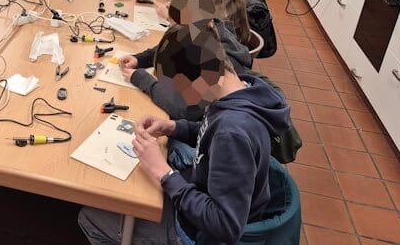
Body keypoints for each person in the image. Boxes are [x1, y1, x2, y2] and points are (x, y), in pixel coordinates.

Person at [79, 22, 292, 245]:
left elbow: (225, 226)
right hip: (204, 189)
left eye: (181, 90)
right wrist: (173, 127)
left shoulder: (232, 132)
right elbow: (210, 131)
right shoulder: (238, 89)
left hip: (199, 232)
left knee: (91, 218)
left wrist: (164, 173)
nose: (180, 99)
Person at [119, 18, 252, 121]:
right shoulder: (210, 46)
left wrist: (144, 80)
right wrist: (140, 59)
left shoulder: (230, 129)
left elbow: (185, 111)